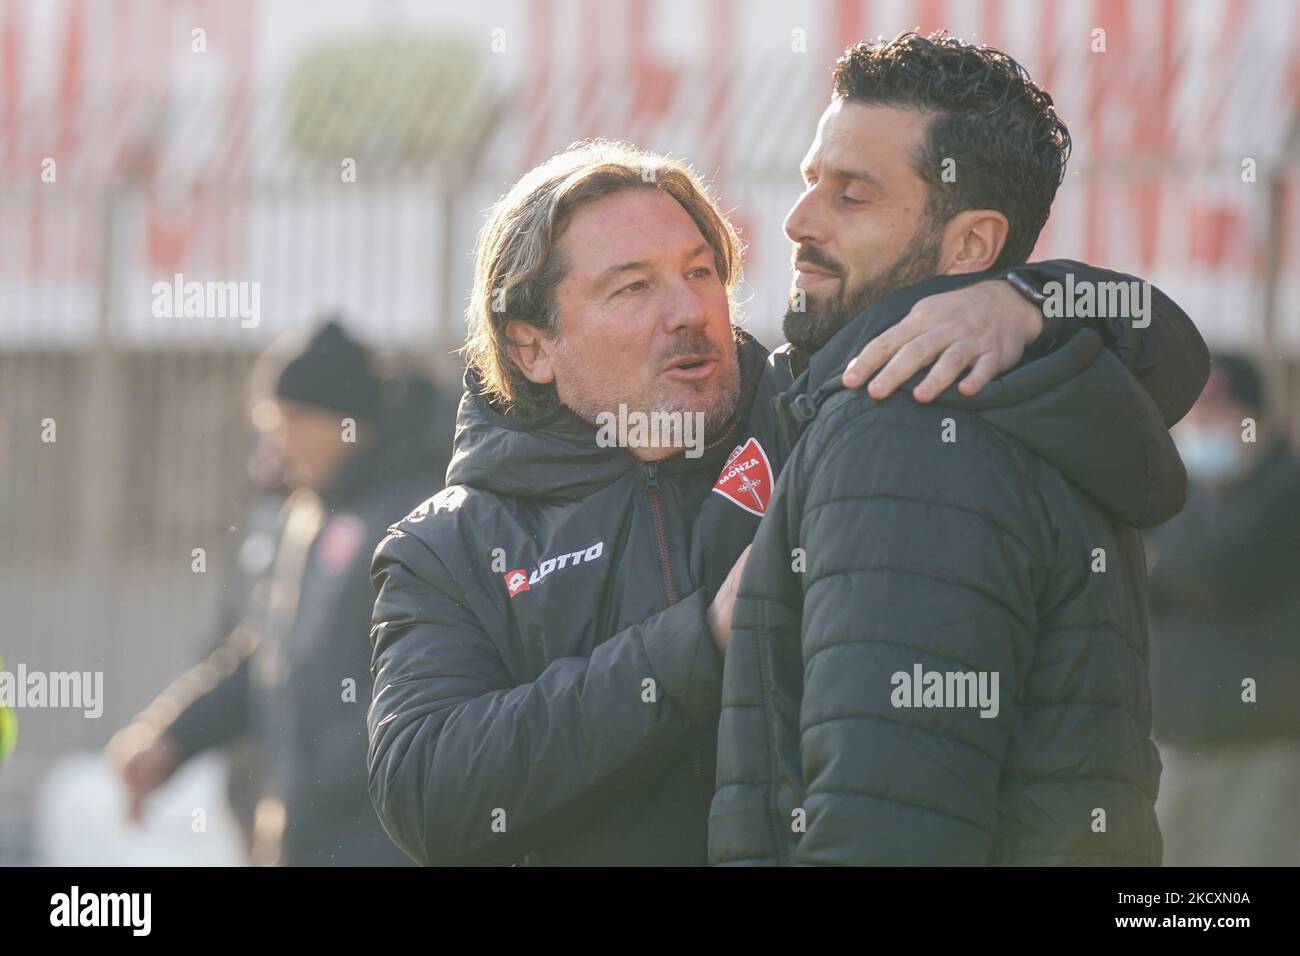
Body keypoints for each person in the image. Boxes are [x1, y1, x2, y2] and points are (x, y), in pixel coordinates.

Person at [366, 133, 1204, 864]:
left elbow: (1164, 354)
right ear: (531, 345)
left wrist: (1027, 301)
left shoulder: (822, 411)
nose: (690, 312)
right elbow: (426, 791)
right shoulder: (447, 547)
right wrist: (704, 637)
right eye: (633, 288)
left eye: (701, 272)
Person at [709, 32, 1207, 866]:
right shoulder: (1014, 395)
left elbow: (886, 824)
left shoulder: (908, 429)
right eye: (810, 183)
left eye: (853, 195)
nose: (798, 221)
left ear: (972, 245)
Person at [110, 319, 447, 865]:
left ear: (348, 424)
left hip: (382, 842)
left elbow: (437, 686)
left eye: (291, 420)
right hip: (303, 836)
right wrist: (173, 739)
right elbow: (268, 653)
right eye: (270, 423)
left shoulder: (415, 519)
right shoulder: (305, 514)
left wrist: (333, 781)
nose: (276, 442)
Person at [1147, 353, 1300, 865]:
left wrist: (1160, 555)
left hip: (1259, 748)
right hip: (1177, 742)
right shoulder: (1191, 497)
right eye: (1196, 418)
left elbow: (1222, 570)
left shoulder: (1286, 489)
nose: (1203, 430)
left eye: (1220, 416)